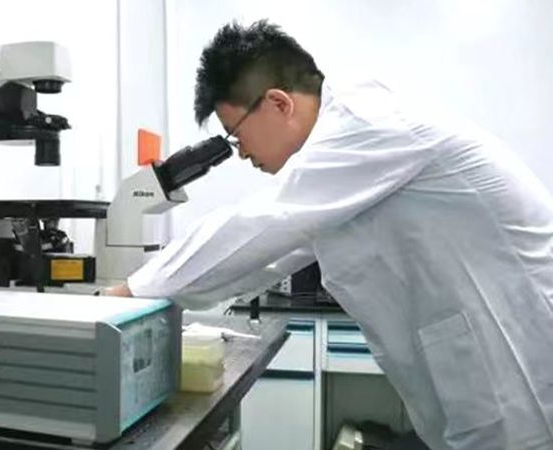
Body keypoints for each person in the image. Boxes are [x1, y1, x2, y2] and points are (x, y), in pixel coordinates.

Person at [103, 20, 553, 450]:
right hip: (484, 375)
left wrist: (130, 292)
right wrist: (153, 292)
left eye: (236, 137)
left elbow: (260, 223)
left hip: (520, 368)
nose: (241, 155)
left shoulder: (367, 123)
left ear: (278, 103)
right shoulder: (340, 166)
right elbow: (267, 254)